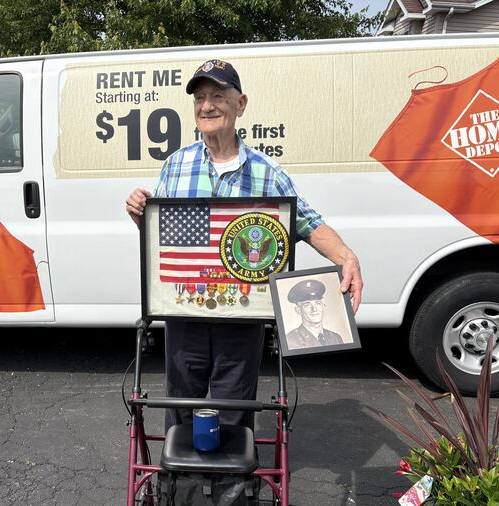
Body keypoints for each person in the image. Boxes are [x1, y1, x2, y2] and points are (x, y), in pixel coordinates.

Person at [125, 59, 363, 432]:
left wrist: (346, 257)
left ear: (241, 104)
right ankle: (181, 485)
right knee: (180, 404)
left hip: (243, 315)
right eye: (200, 97)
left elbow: (306, 222)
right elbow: (164, 234)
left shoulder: (267, 172)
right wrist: (142, 213)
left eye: (218, 95)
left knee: (233, 407)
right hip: (185, 309)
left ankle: (230, 488)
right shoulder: (176, 165)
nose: (207, 105)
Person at [285, 279, 344, 350]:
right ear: (298, 310)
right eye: (307, 305)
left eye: (318, 303)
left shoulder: (335, 338)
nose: (314, 309)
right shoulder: (290, 340)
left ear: (323, 306)